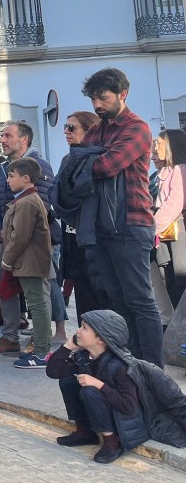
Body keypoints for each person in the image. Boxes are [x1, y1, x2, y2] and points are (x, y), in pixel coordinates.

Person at [79, 68, 163, 366]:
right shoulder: (97, 130)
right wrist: (88, 158)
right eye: (93, 99)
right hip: (102, 225)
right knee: (116, 301)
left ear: (122, 94)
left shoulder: (137, 127)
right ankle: (130, 365)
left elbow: (106, 165)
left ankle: (153, 370)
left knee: (140, 301)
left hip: (132, 222)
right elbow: (75, 160)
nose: (97, 105)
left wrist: (89, 158)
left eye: (103, 98)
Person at [0, 121, 61, 354]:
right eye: (1, 136)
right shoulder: (2, 169)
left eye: (8, 135)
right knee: (5, 287)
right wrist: (2, 231)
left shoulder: (39, 166)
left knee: (39, 293)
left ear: (24, 139)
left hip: (32, 244)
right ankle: (10, 336)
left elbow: (41, 205)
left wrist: (16, 235)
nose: (2, 140)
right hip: (6, 239)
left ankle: (41, 340)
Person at [46, 311, 150, 463]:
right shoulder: (83, 356)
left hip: (121, 421)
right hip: (102, 407)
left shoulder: (121, 367)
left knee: (89, 391)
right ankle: (84, 432)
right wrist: (68, 346)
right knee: (67, 381)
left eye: (84, 328)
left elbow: (129, 407)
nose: (78, 331)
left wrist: (99, 385)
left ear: (101, 338)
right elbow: (54, 371)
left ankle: (112, 442)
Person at [1, 158, 53, 368]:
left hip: (30, 261)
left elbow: (20, 236)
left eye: (12, 176)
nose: (8, 181)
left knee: (37, 305)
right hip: (28, 261)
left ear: (26, 178)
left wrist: (7, 259)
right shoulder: (24, 199)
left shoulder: (26, 202)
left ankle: (42, 351)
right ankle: (42, 348)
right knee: (36, 303)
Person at [51, 111, 103, 321]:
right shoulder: (68, 159)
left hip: (94, 235)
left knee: (98, 292)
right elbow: (58, 194)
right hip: (71, 232)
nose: (66, 131)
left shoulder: (99, 158)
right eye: (65, 126)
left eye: (72, 128)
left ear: (89, 130)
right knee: (81, 288)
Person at [150, 129, 186, 318]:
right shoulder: (159, 174)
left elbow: (174, 204)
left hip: (176, 234)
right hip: (163, 235)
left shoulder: (180, 170)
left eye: (159, 145)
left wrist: (150, 228)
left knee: (177, 283)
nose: (154, 150)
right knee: (166, 284)